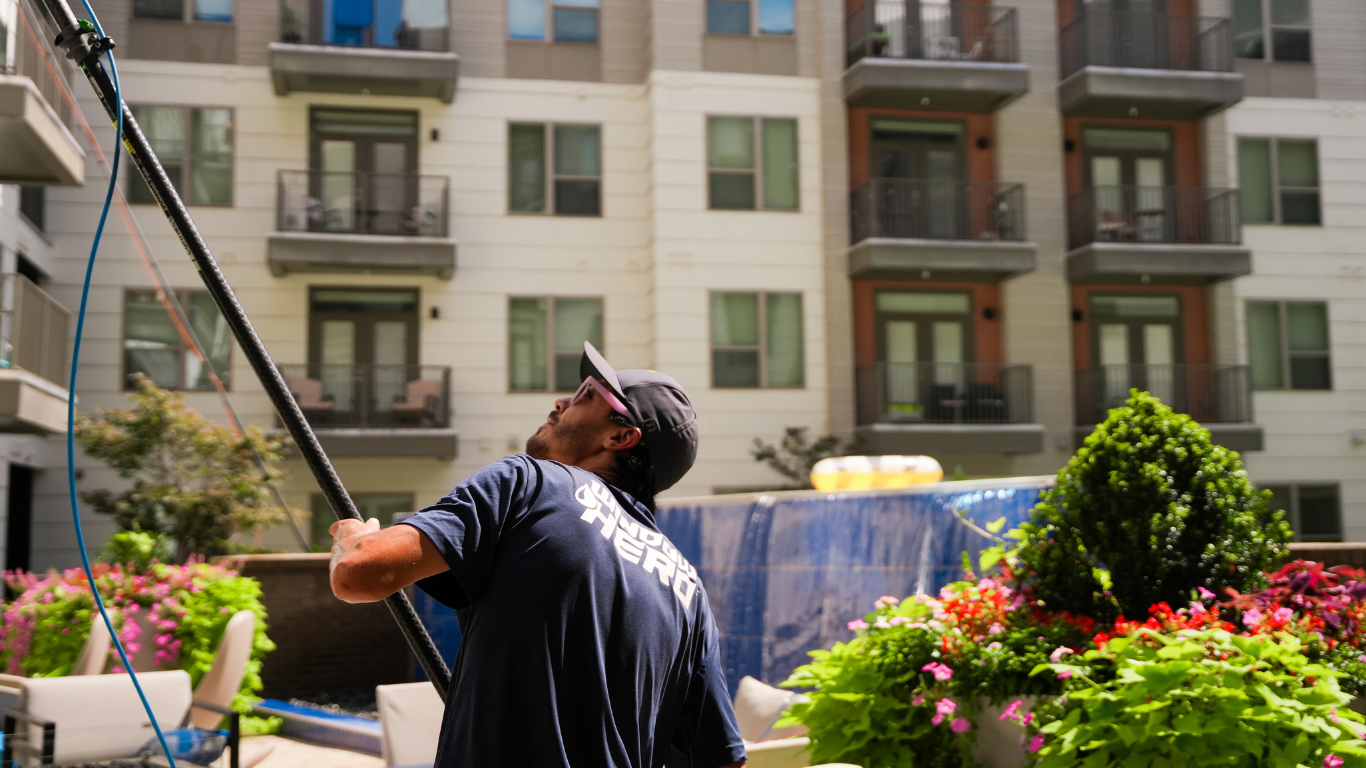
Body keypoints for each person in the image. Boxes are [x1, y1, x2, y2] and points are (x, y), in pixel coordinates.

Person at [329, 342, 747, 768]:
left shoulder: (531, 482)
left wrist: (355, 537)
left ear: (620, 437)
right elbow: (726, 760)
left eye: (586, 395)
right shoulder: (687, 588)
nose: (561, 402)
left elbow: (360, 574)